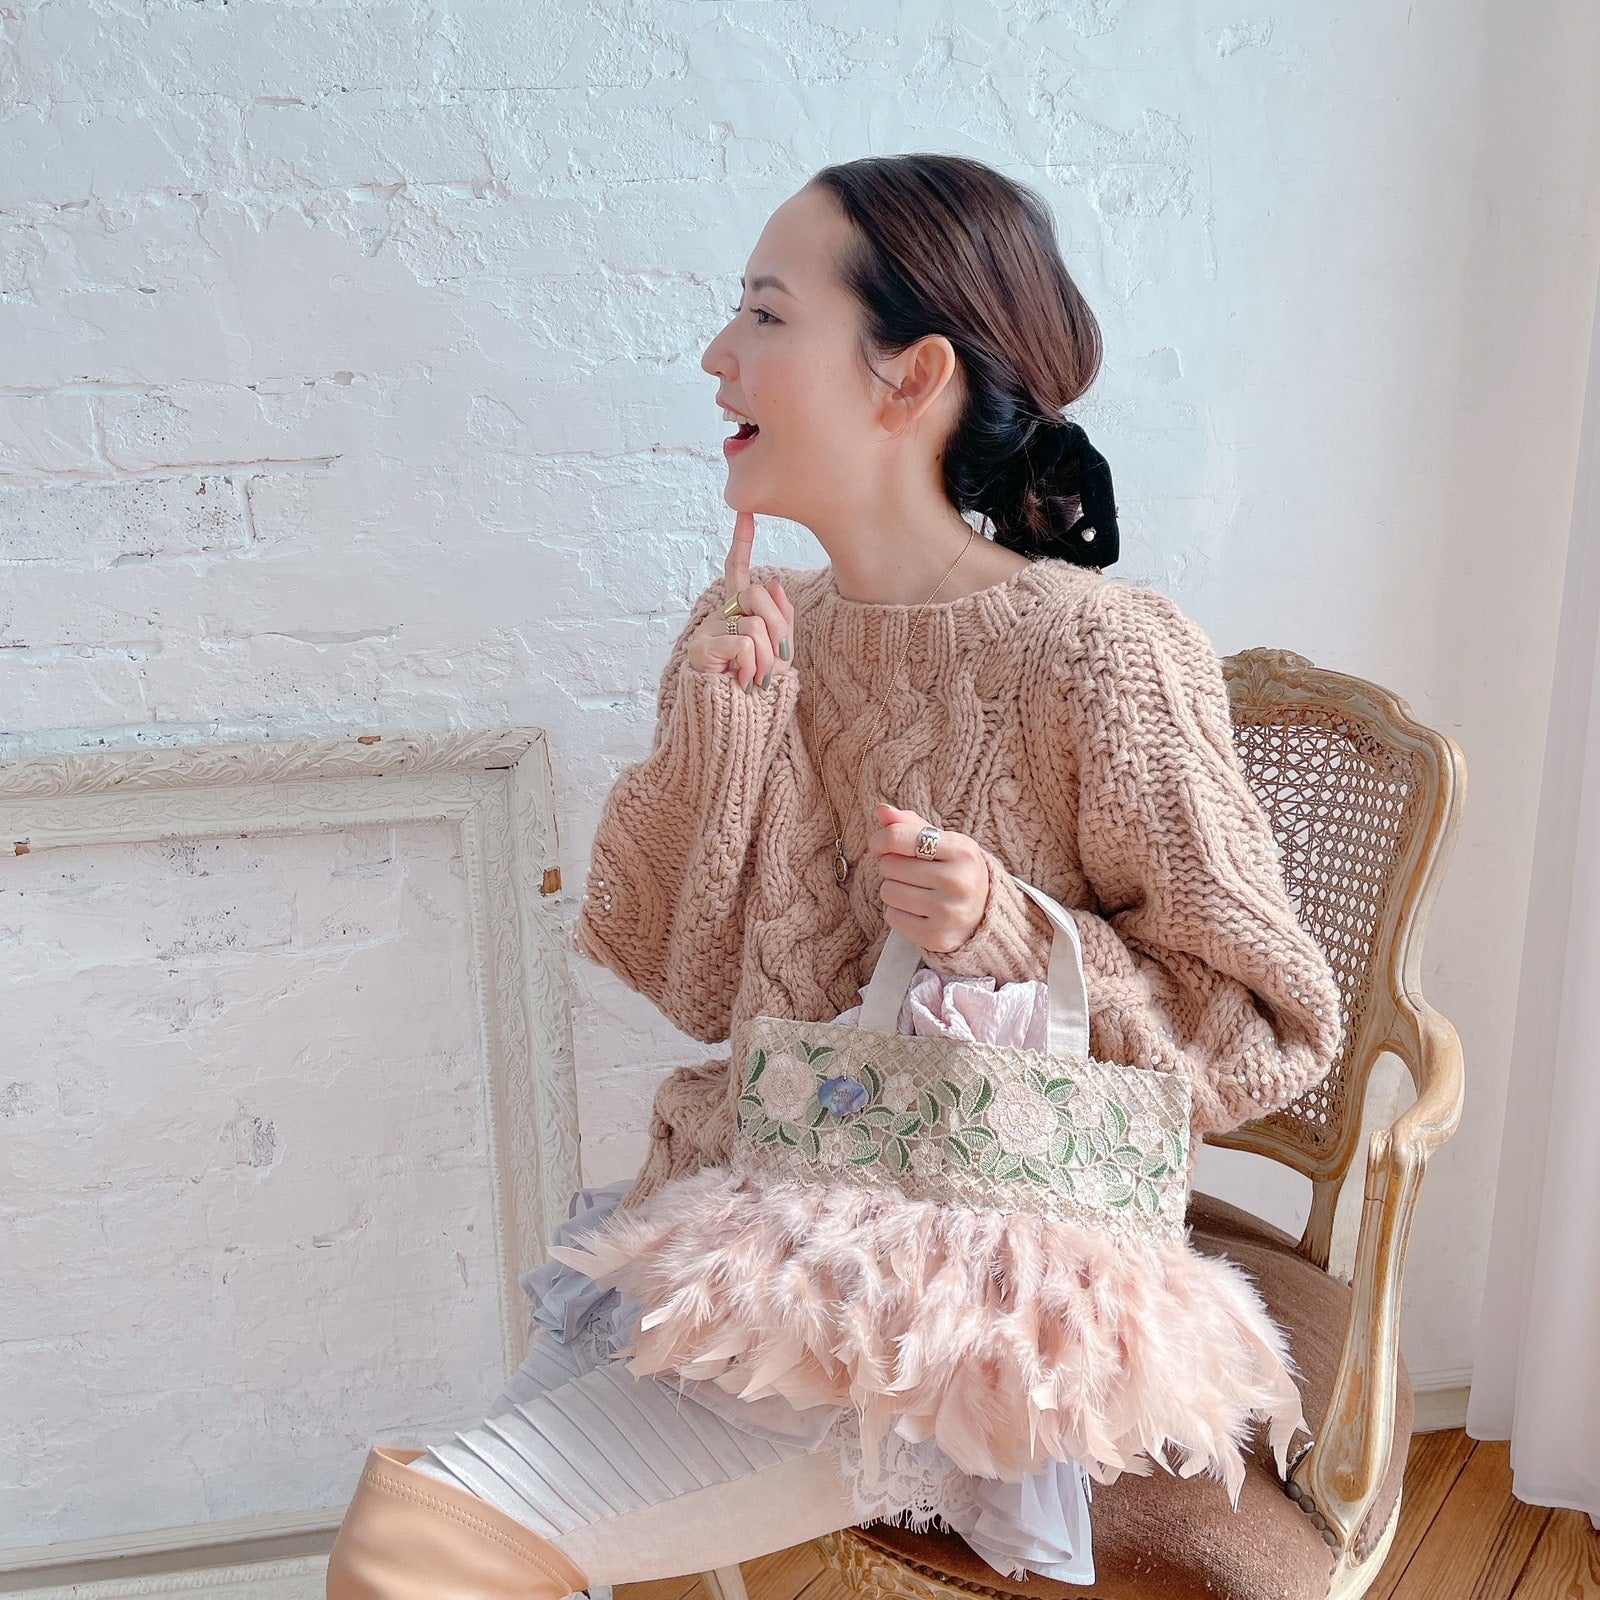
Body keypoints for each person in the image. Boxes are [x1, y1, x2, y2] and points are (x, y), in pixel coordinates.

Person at [325, 152, 1344, 1599]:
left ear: (908, 375)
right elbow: (688, 982)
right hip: (739, 1223)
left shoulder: (1104, 655)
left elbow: (1263, 1027)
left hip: (934, 1303)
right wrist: (724, 732)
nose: (716, 354)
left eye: (766, 314)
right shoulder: (754, 624)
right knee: (425, 1534)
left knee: (418, 1549)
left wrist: (1018, 933)